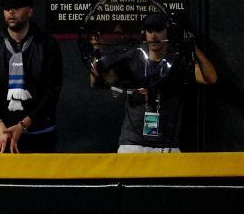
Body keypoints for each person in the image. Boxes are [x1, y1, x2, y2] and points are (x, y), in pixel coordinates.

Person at [93, 11, 218, 153]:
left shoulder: (178, 63)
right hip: (133, 145)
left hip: (167, 146)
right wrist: (97, 52)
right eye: (149, 30)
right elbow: (98, 80)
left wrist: (193, 47)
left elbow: (211, 78)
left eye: (158, 30)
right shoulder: (133, 59)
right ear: (145, 33)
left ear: (167, 32)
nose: (153, 35)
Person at [0, 0, 62, 153]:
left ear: (30, 11)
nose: (11, 12)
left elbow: (51, 93)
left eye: (16, 7)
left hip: (39, 135)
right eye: (7, 8)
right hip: (2, 136)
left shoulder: (47, 46)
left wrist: (24, 124)